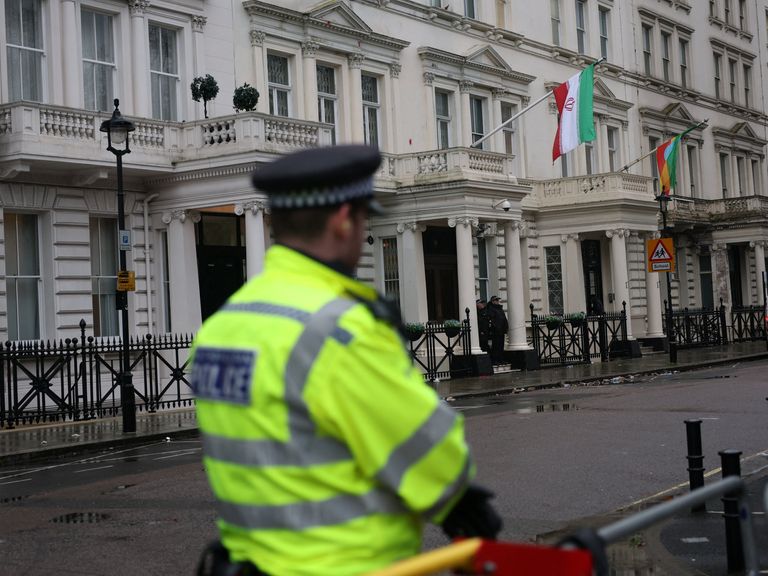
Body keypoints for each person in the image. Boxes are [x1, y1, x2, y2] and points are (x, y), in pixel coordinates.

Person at [191, 145, 502, 576]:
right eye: (363, 219)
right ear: (342, 220)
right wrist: (458, 500)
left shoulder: (221, 326)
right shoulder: (340, 329)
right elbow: (424, 447)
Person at [487, 296, 508, 365]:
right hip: (495, 331)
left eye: (498, 300)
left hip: (501, 330)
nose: (497, 301)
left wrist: (506, 327)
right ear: (492, 301)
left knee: (501, 346)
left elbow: (504, 318)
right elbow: (492, 320)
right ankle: (495, 360)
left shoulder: (500, 309)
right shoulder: (491, 309)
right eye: (496, 300)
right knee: (496, 346)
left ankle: (501, 359)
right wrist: (496, 327)